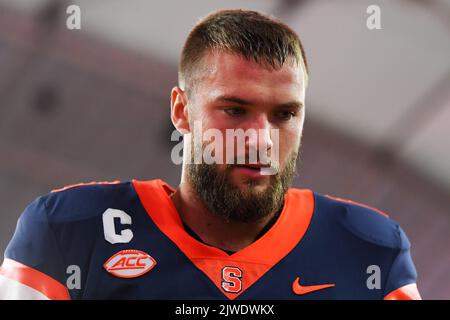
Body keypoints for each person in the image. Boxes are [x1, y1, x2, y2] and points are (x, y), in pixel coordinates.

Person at [0, 9, 420, 300]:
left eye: (284, 114)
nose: (261, 139)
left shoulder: (369, 251)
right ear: (182, 111)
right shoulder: (69, 233)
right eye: (235, 110)